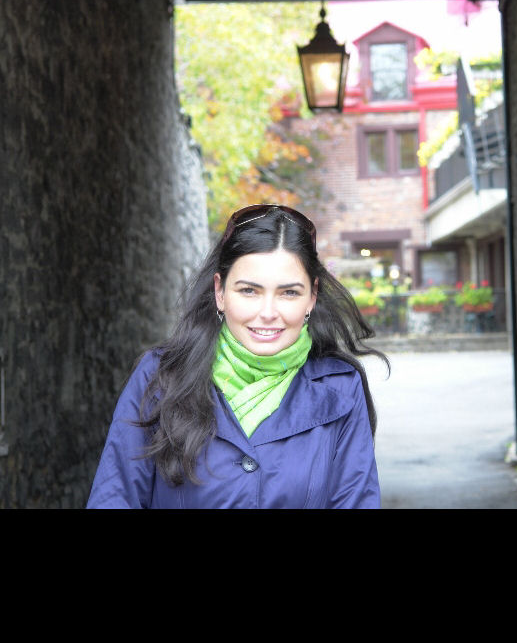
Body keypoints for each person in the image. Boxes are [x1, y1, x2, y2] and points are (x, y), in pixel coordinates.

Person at [87, 204, 388, 509]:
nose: (268, 312)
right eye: (249, 291)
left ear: (312, 296)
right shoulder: (161, 376)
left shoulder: (340, 388)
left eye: (289, 293)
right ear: (220, 292)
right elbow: (114, 497)